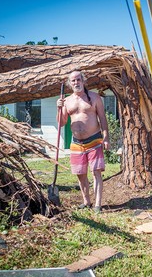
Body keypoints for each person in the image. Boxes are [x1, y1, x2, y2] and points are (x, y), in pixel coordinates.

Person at [56, 70, 110, 213]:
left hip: (94, 139)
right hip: (76, 142)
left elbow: (102, 119)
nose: (76, 82)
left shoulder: (94, 97)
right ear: (70, 83)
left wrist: (106, 137)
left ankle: (98, 204)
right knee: (80, 173)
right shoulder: (67, 101)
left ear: (83, 81)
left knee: (96, 171)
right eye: (73, 80)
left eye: (78, 79)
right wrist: (59, 108)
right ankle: (86, 201)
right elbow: (61, 123)